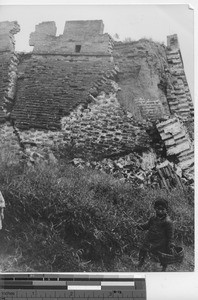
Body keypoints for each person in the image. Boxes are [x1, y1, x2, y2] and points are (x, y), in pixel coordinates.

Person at [136, 197, 174, 271]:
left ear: (166, 210)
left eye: (162, 209)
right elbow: (147, 225)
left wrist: (170, 245)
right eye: (158, 209)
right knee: (143, 249)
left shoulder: (168, 222)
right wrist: (139, 226)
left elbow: (170, 235)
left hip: (160, 243)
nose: (160, 211)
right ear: (155, 208)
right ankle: (140, 263)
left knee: (161, 256)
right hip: (150, 239)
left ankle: (163, 268)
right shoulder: (153, 218)